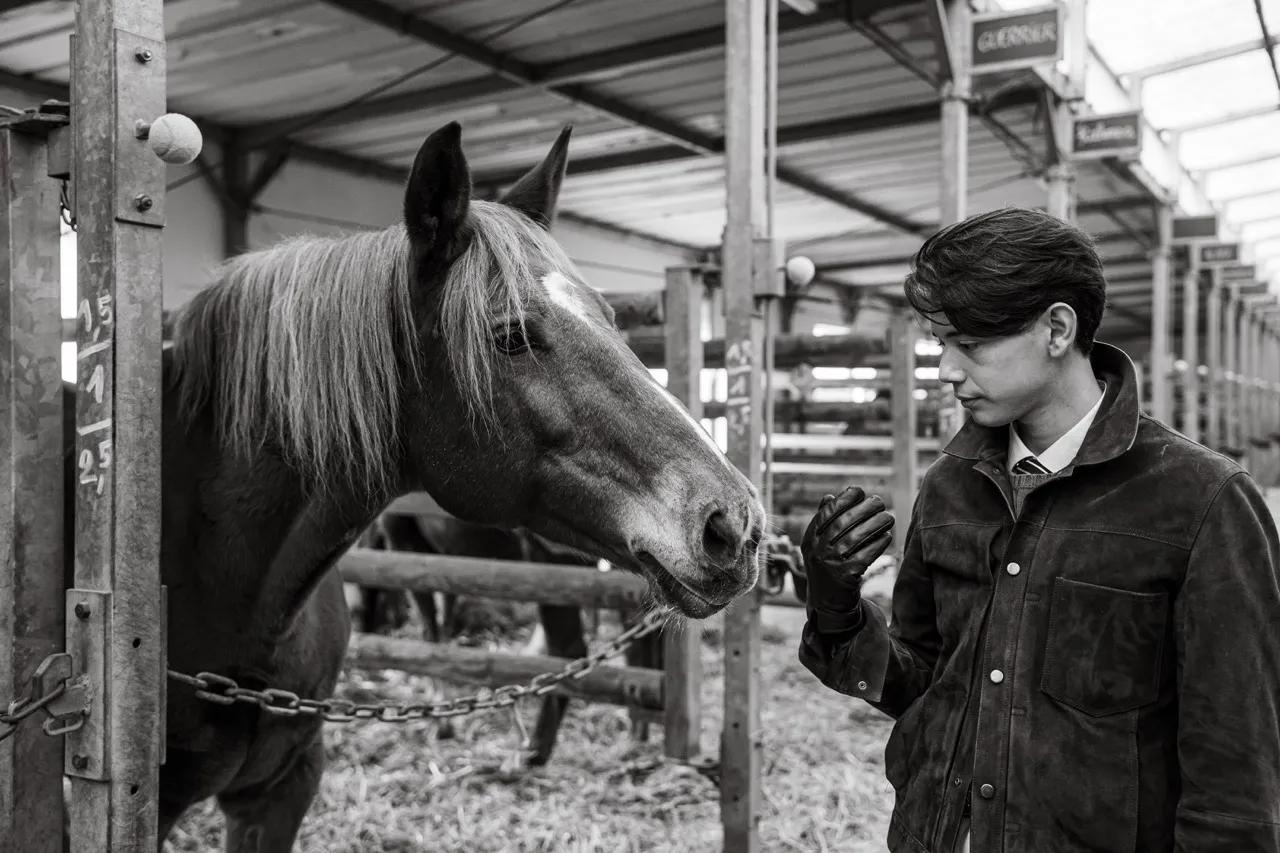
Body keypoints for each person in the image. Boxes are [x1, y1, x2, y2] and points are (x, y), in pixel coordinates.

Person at [796, 206, 1280, 853]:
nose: (945, 369)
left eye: (970, 344)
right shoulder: (951, 483)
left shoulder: (1201, 502)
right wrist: (834, 605)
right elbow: (925, 685)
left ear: (1057, 328)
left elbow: (1236, 774)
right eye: (940, 342)